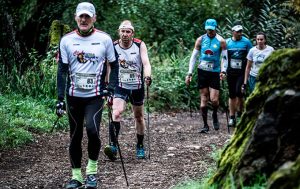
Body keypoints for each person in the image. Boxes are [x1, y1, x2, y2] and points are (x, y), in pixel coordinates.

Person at [56, 2, 118, 189]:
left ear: (94, 19)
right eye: (81, 16)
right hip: (74, 96)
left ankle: (91, 172)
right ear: (76, 17)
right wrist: (60, 99)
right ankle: (76, 177)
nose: (84, 20)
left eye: (87, 17)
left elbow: (114, 66)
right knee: (75, 135)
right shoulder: (66, 40)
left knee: (92, 130)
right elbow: (62, 71)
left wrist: (111, 88)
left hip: (95, 95)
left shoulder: (105, 39)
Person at [103, 20, 152, 160]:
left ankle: (140, 145)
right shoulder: (113, 46)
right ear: (119, 32)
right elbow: (108, 66)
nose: (125, 34)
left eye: (128, 32)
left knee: (138, 117)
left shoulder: (139, 44)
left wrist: (147, 76)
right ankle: (113, 146)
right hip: (120, 85)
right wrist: (107, 84)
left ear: (132, 33)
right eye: (122, 31)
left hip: (137, 85)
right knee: (116, 113)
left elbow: (146, 63)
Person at [185, 18, 227, 133]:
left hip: (214, 72)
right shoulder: (200, 39)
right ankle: (205, 125)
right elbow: (193, 57)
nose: (210, 32)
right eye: (208, 30)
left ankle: (214, 114)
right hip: (202, 71)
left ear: (215, 28)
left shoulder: (221, 41)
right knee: (204, 99)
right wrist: (189, 72)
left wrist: (223, 71)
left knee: (214, 100)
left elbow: (224, 58)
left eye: (212, 30)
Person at [221, 21, 252, 127]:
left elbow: (251, 57)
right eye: (238, 31)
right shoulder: (227, 42)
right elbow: (224, 58)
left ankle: (240, 113)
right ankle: (232, 117)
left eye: (241, 31)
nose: (240, 33)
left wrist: (249, 70)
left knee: (239, 92)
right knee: (232, 94)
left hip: (241, 72)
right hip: (230, 71)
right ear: (232, 31)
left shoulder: (246, 42)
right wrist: (223, 71)